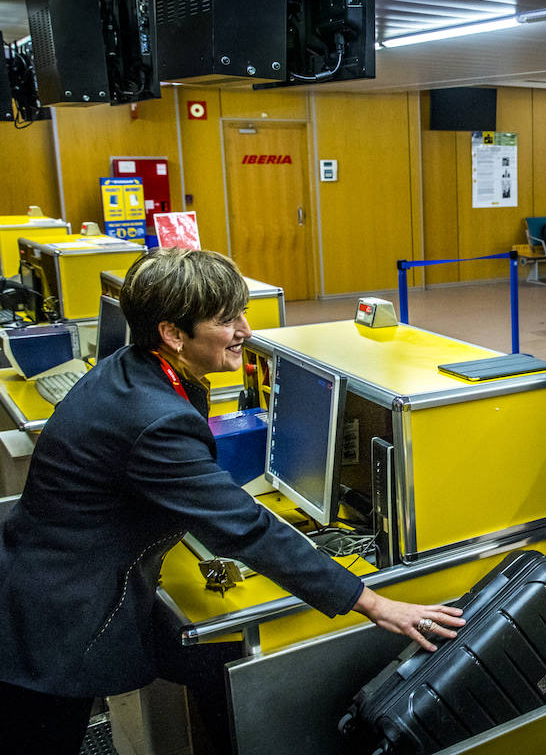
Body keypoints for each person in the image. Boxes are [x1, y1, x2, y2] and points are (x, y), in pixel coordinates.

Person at [0, 249, 464, 753]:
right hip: (55, 617)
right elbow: (245, 529)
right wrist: (373, 603)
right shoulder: (155, 417)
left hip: (48, 573)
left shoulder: (135, 369)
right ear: (173, 334)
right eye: (227, 320)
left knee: (215, 668)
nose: (245, 329)